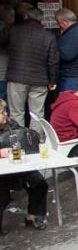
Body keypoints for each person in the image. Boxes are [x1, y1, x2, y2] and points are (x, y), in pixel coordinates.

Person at [2, 8, 58, 134]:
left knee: (16, 112)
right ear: (41, 19)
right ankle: (35, 140)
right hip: (40, 79)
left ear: (26, 16)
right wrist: (52, 80)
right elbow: (53, 61)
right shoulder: (48, 36)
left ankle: (18, 139)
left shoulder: (14, 30)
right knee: (37, 113)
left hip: (17, 78)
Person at [0, 98, 49, 231]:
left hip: (18, 166)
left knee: (40, 184)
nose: (5, 114)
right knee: (2, 197)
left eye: (5, 110)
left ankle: (32, 217)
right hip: (2, 173)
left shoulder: (10, 124)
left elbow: (22, 136)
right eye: (1, 112)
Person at [55, 9, 78, 94]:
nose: (58, 25)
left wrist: (54, 52)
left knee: (70, 103)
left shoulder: (73, 34)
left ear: (65, 22)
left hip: (71, 76)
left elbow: (65, 55)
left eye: (58, 23)